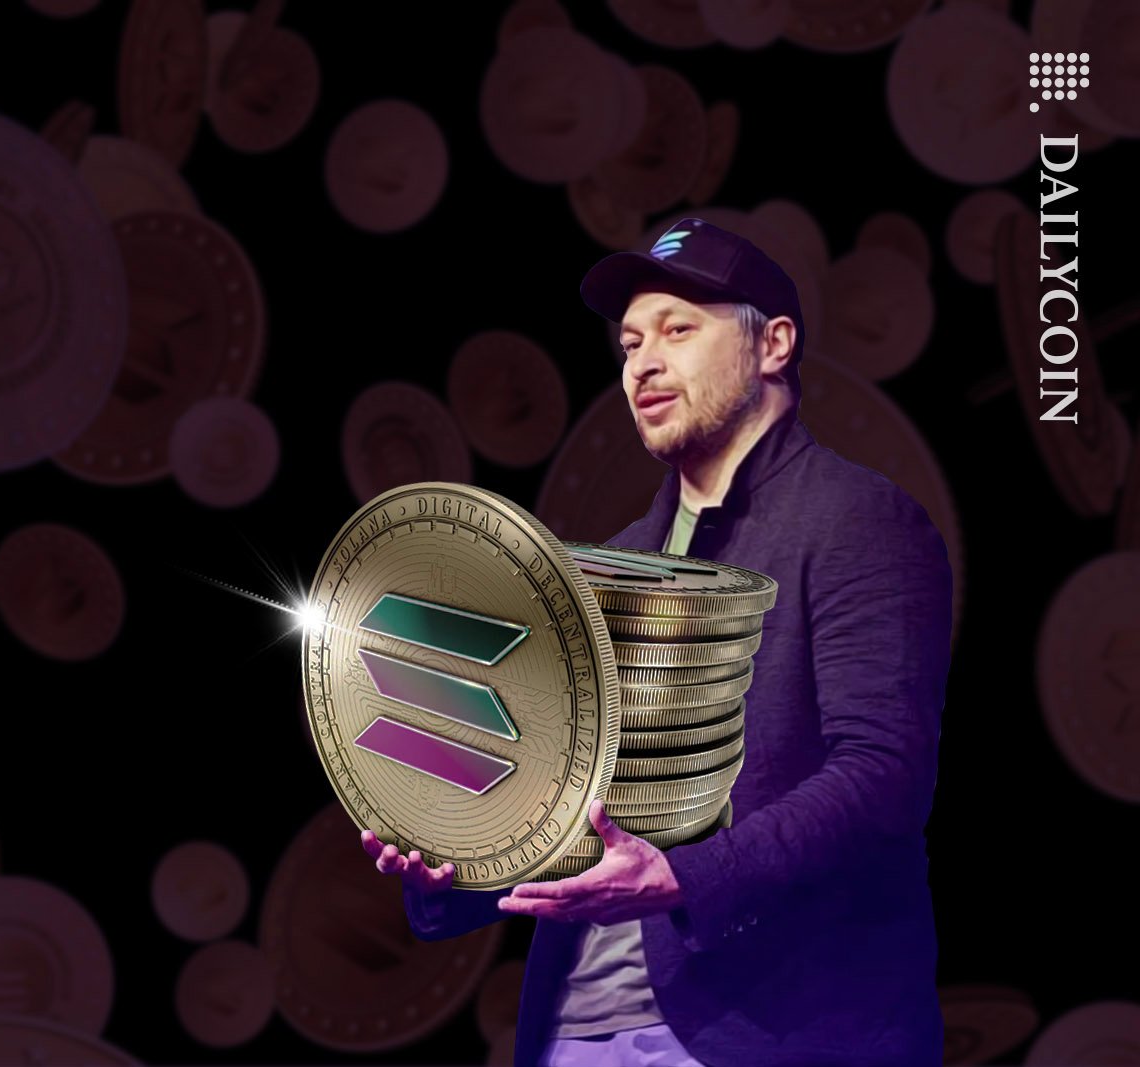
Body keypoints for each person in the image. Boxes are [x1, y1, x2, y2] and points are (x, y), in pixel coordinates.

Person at [360, 217, 954, 1067]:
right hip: (573, 1032)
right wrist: (447, 857)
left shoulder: (856, 518)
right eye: (631, 340)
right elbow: (565, 816)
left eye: (680, 329)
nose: (642, 360)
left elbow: (882, 776)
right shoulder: (610, 566)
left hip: (767, 1031)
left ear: (774, 344)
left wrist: (685, 877)